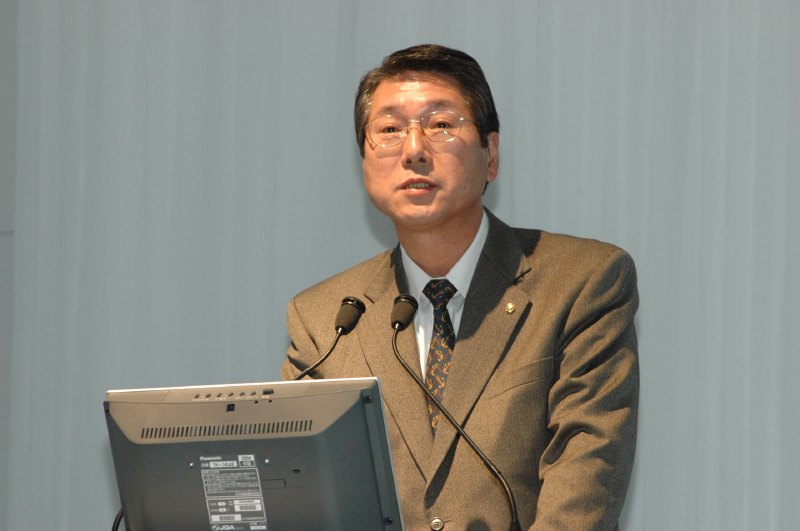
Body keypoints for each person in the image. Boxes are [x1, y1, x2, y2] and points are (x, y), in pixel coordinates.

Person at [282, 44, 639, 530]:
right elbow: (307, 494)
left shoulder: (582, 282)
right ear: (364, 160)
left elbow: (584, 485)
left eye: (441, 125)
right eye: (389, 130)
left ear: (491, 155)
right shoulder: (326, 320)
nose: (413, 149)